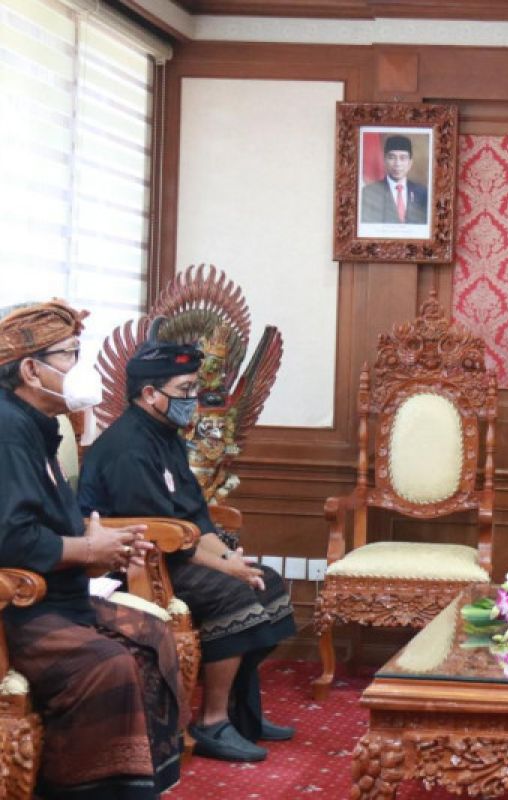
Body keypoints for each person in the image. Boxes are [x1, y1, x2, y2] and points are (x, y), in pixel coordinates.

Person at [78, 333, 296, 763]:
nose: (192, 399)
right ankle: (212, 723)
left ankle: (242, 713)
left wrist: (231, 559)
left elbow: (195, 517)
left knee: (267, 584)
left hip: (174, 551)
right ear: (148, 394)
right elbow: (157, 532)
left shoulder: (169, 436)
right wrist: (227, 571)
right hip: (134, 563)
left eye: (194, 389)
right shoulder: (127, 447)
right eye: (183, 391)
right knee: (234, 595)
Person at [0, 299, 185, 799]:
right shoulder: (7, 429)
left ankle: (147, 786)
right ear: (31, 370)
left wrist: (101, 543)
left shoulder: (38, 424)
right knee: (109, 664)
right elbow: (11, 538)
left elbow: (40, 517)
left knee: (151, 633)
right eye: (69, 356)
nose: (82, 369)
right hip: (18, 607)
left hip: (57, 594)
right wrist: (85, 550)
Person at [359, 134, 429, 225]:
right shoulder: (369, 193)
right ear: (384, 160)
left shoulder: (423, 193)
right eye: (392, 157)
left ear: (410, 163)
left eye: (403, 158)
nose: (397, 164)